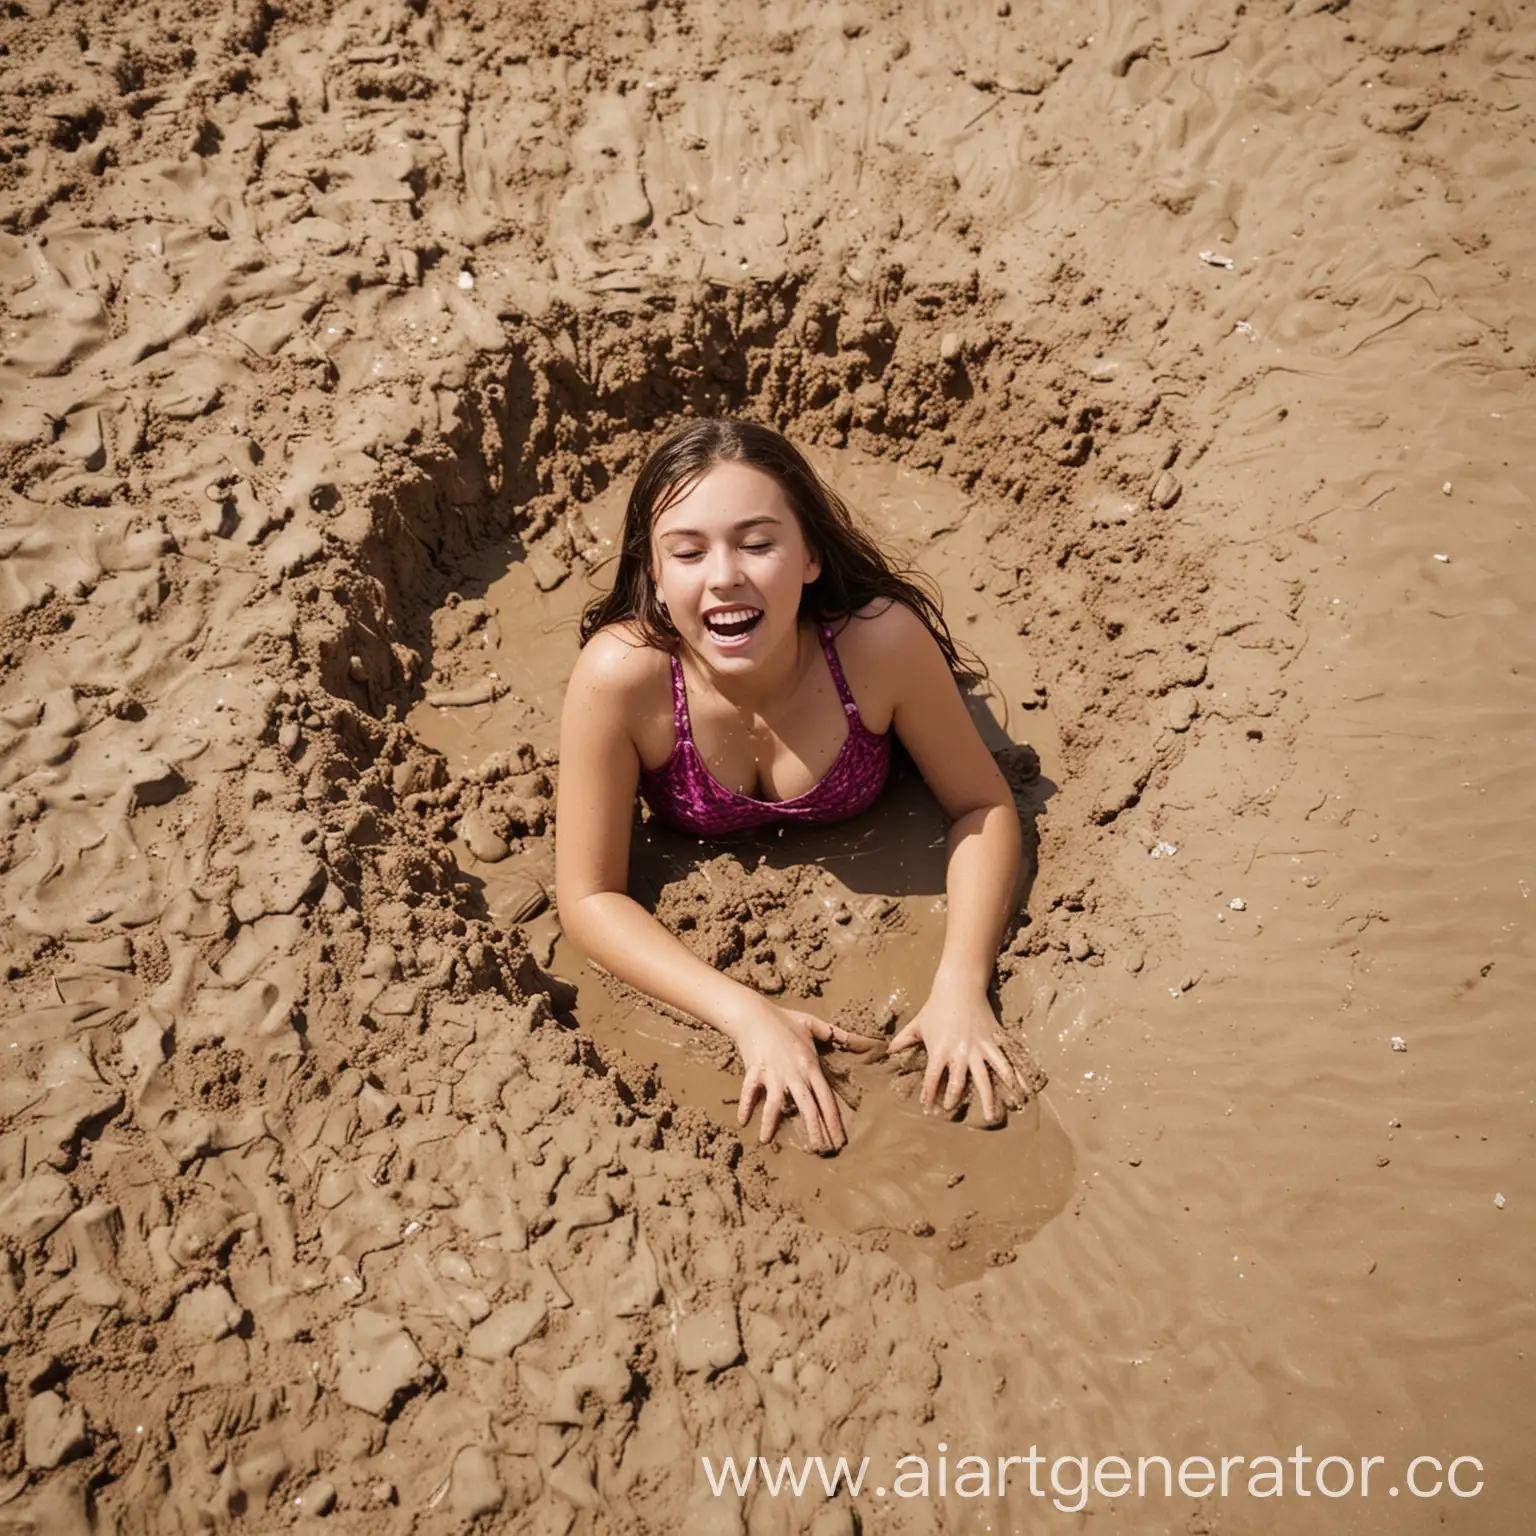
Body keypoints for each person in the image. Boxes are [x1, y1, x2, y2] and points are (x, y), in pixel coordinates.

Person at [554, 418, 1024, 1152]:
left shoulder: (879, 644)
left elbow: (982, 804)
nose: (724, 576)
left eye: (758, 543)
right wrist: (745, 1013)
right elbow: (587, 897)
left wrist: (962, 984)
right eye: (687, 551)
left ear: (808, 556)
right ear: (653, 571)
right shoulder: (623, 679)